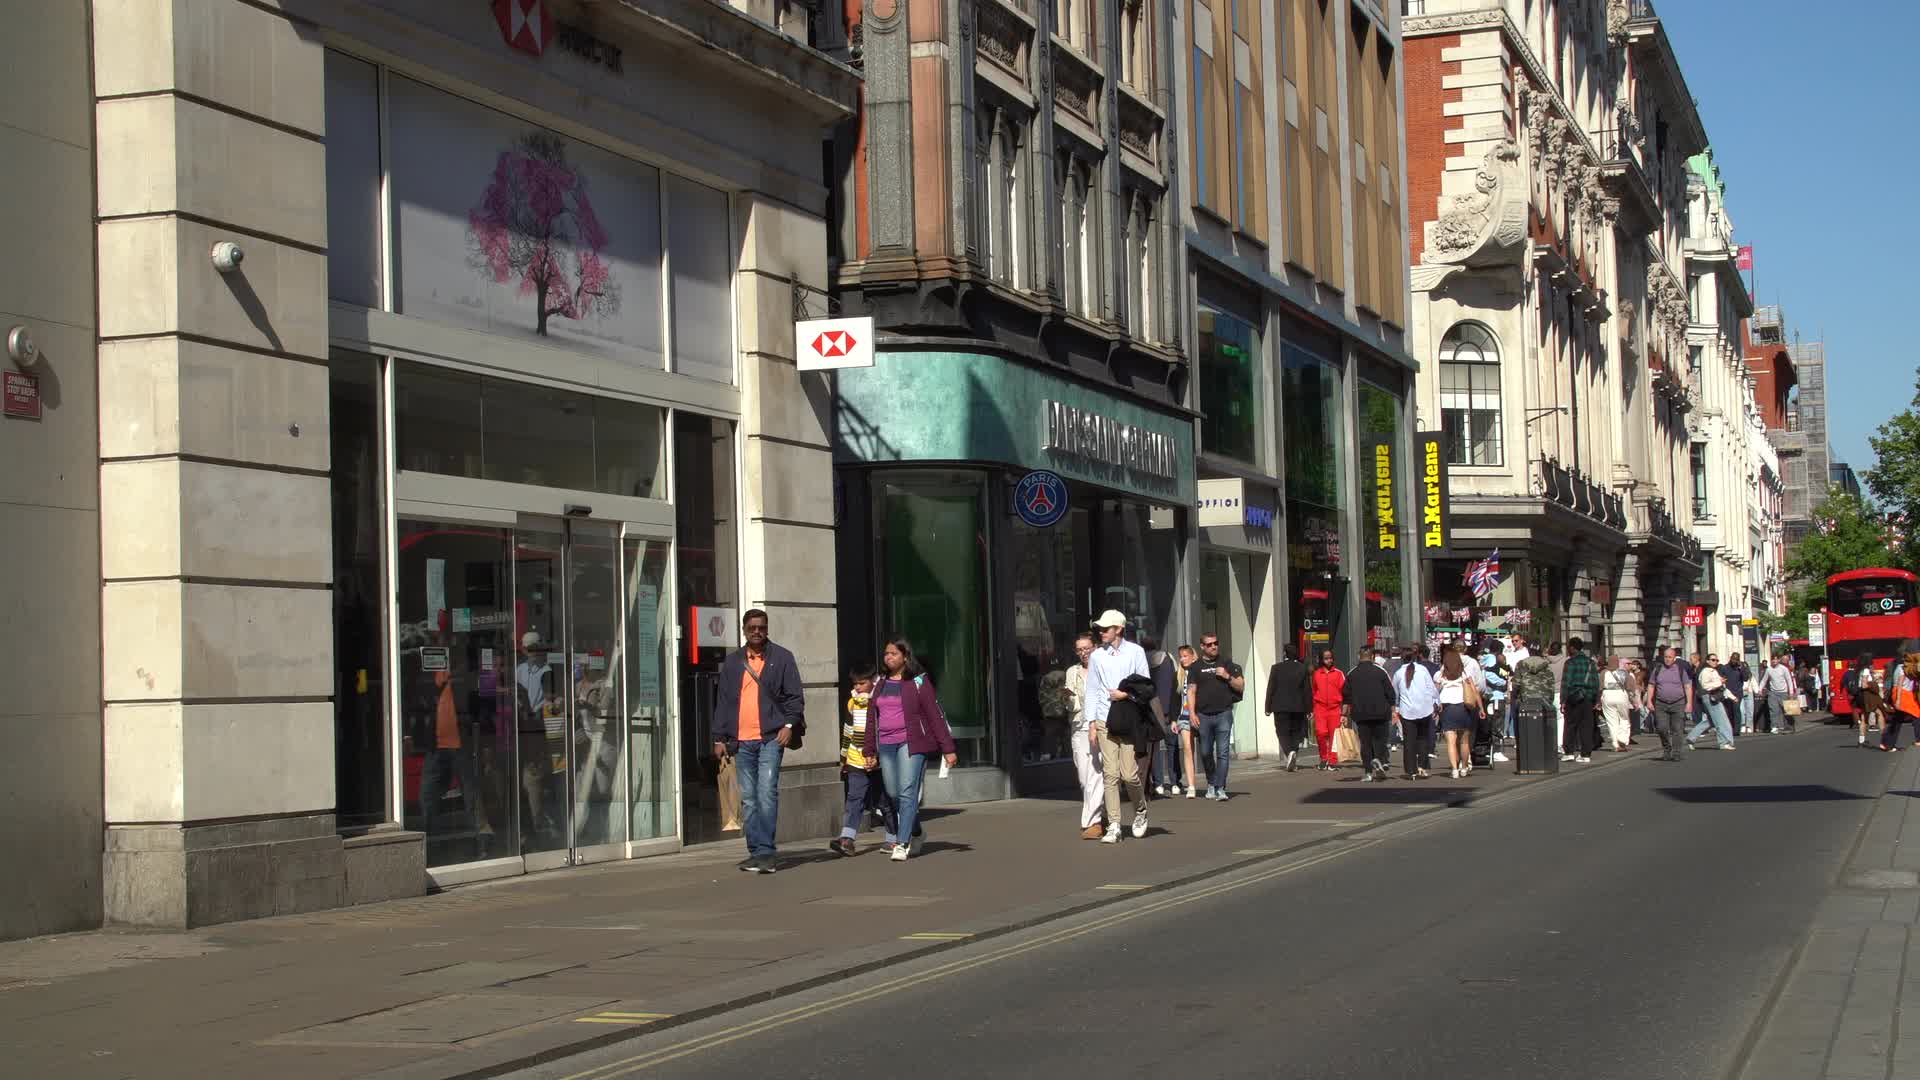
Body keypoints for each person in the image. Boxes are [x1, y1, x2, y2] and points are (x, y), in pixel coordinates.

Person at [712, 609, 806, 873]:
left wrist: (788, 725)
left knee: (766, 794)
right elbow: (724, 702)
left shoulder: (782, 658)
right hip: (740, 742)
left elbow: (795, 697)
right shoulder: (732, 663)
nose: (757, 631)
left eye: (761, 627)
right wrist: (719, 737)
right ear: (744, 630)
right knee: (749, 799)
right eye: (752, 627)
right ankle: (756, 851)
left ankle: (766, 852)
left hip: (770, 739)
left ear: (767, 629)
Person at [862, 636, 958, 861]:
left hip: (911, 743)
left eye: (893, 653)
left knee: (907, 792)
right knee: (894, 793)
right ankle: (916, 831)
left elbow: (935, 716)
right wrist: (869, 750)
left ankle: (902, 842)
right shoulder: (881, 683)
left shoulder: (918, 682)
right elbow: (870, 717)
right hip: (885, 744)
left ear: (905, 657)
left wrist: (948, 748)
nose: (888, 657)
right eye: (886, 653)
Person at [1085, 610, 1151, 844]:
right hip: (1105, 719)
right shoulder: (1096, 656)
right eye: (1100, 629)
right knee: (1110, 774)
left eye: (1106, 628)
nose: (1101, 632)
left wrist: (1125, 694)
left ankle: (1141, 811)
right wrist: (1091, 723)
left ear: (1119, 629)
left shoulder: (1136, 652)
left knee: (1129, 775)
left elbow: (1145, 685)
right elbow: (1092, 689)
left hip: (1129, 717)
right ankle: (1114, 824)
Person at [832, 663, 899, 857]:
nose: (857, 687)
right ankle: (847, 839)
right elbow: (848, 730)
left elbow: (883, 732)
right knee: (854, 799)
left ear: (873, 681)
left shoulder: (881, 701)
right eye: (855, 684)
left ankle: (893, 839)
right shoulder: (852, 703)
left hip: (879, 761)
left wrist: (878, 756)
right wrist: (844, 757)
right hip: (855, 759)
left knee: (884, 801)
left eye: (862, 683)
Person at [1187, 633, 1246, 800]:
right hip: (1203, 716)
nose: (1214, 646)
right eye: (1210, 644)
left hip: (1224, 714)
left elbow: (1241, 686)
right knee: (1205, 752)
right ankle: (1211, 782)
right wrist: (1192, 713)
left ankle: (1220, 787)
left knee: (1223, 752)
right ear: (1203, 647)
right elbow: (1191, 690)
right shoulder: (1196, 667)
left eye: (1216, 643)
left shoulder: (1226, 663)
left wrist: (1227, 676)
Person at [1066, 633, 1103, 838]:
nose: (1083, 653)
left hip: (1100, 725)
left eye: (1086, 648)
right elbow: (1072, 705)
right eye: (1079, 650)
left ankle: (1092, 822)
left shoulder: (1103, 668)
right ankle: (1101, 814)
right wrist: (1066, 697)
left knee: (1095, 774)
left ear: (1095, 647)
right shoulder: (1072, 672)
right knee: (1083, 777)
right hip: (1079, 725)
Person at [1344, 647, 1396, 782]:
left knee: (1365, 743)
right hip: (1380, 713)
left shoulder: (1351, 673)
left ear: (1358, 656)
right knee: (1380, 740)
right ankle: (1378, 760)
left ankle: (1368, 772)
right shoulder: (1380, 671)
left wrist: (1344, 714)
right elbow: (1390, 693)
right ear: (1372, 657)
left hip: (1361, 714)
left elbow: (1346, 696)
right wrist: (1393, 709)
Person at [1265, 643, 1314, 773]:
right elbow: (1307, 691)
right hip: (1298, 706)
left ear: (1285, 654)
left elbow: (1271, 688)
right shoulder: (1302, 668)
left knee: (1282, 732)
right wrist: (1309, 709)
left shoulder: (1276, 668)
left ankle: (1289, 752)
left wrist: (1267, 707)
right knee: (1296, 732)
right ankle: (1293, 754)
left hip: (1280, 706)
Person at [1392, 644, 1439, 780]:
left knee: (1409, 741)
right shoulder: (1423, 670)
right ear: (1415, 657)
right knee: (1423, 739)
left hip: (1407, 712)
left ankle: (1411, 771)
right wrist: (1437, 703)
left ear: (1402, 659)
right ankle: (1423, 768)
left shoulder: (1398, 673)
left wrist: (1396, 708)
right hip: (1424, 709)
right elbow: (1432, 689)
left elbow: (1395, 693)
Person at [1644, 646, 1695, 763]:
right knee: (1661, 728)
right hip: (1661, 703)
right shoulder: (1657, 670)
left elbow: (1687, 686)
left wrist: (1689, 703)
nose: (1667, 659)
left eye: (1670, 657)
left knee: (1678, 729)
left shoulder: (1680, 670)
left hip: (1678, 703)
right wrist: (1649, 701)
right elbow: (1651, 685)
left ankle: (1676, 753)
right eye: (1666, 657)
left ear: (1674, 658)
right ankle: (1667, 748)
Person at [1145, 636, 1181, 796]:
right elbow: (1176, 684)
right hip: (1167, 711)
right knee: (1172, 747)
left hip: (1151, 711)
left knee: (1155, 750)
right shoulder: (1168, 657)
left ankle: (1158, 783)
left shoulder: (1141, 660)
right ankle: (1174, 782)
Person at [1435, 646, 1478, 778]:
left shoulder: (1440, 674)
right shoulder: (1464, 674)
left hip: (1447, 708)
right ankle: (1464, 768)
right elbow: (1475, 692)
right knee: (1464, 741)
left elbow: (1434, 692)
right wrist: (1481, 708)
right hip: (1463, 707)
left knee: (1451, 741)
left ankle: (1454, 769)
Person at [1556, 637, 1601, 763]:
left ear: (1572, 648)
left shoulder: (1570, 663)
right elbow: (1596, 682)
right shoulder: (1590, 663)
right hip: (1588, 698)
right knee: (1586, 726)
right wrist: (1596, 699)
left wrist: (1563, 700)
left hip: (1573, 697)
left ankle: (1569, 752)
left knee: (1570, 725)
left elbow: (1566, 683)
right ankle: (1585, 754)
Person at [1508, 644, 1554, 760]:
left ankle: (1526, 752)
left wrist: (1514, 697)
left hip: (1525, 699)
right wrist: (1550, 699)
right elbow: (1550, 683)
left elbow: (1516, 684)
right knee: (1543, 728)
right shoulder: (1546, 664)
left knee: (1524, 727)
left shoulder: (1521, 664)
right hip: (1543, 699)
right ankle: (1542, 753)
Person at [1686, 653, 1736, 751]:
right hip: (1710, 697)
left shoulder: (1714, 671)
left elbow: (1722, 688)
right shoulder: (1705, 671)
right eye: (1713, 660)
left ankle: (1691, 738)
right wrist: (1719, 682)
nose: (1715, 662)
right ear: (1707, 661)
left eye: (1717, 660)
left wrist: (1732, 697)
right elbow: (1705, 686)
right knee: (1722, 721)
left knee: (1710, 721)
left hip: (1714, 696)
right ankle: (1724, 742)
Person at [1310, 649, 1347, 771]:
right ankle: (1323, 758)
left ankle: (1332, 761)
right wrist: (1313, 708)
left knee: (1334, 736)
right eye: (1326, 658)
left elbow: (1345, 693)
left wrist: (1344, 712)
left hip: (1335, 708)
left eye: (1330, 658)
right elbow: (1314, 691)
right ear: (1321, 659)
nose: (1329, 660)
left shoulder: (1338, 673)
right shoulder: (1316, 674)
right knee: (1320, 733)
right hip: (1320, 708)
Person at [1880, 642, 1920, 752]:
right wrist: (1898, 700)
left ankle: (1887, 743)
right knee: (1917, 715)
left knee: (1897, 720)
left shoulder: (1896, 667)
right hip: (1904, 694)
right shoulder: (1902, 668)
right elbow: (1900, 682)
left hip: (1899, 693)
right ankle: (1918, 739)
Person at [1480, 639, 1512, 763]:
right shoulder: (1492, 659)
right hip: (1496, 696)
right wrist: (1502, 682)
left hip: (1490, 696)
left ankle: (1490, 749)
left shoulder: (1485, 658)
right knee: (1497, 724)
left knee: (1491, 723)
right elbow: (1487, 674)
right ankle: (1497, 751)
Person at [1600, 656, 1633, 752]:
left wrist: (1598, 701)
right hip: (1621, 694)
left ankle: (1615, 744)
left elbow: (1600, 687)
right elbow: (1629, 686)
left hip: (1607, 695)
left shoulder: (1603, 673)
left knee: (1611, 721)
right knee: (1624, 718)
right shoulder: (1623, 672)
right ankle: (1622, 738)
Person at [1852, 650, 1884, 747]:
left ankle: (1861, 740)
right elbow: (1864, 685)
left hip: (1861, 695)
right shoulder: (1866, 670)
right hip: (1868, 695)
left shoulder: (1859, 670)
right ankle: (1885, 739)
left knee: (1864, 718)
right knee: (1880, 714)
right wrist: (1874, 684)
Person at [1762, 651, 1794, 734]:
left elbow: (1789, 680)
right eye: (1773, 660)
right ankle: (1774, 726)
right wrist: (1760, 689)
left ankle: (1788, 726)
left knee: (1786, 710)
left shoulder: (1784, 669)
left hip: (1783, 692)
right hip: (1773, 693)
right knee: (1773, 710)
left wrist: (1790, 692)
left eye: (1776, 659)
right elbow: (1764, 680)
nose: (1774, 661)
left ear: (1779, 660)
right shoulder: (1769, 670)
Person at [1720, 655, 1751, 736]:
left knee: (1736, 709)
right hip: (1727, 692)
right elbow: (1721, 678)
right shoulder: (1725, 668)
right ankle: (1730, 728)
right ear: (1730, 658)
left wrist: (1742, 669)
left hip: (1737, 692)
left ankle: (1736, 730)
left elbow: (1745, 678)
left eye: (1736, 659)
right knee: (1729, 711)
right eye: (1733, 659)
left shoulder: (1740, 668)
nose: (1734, 661)